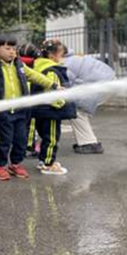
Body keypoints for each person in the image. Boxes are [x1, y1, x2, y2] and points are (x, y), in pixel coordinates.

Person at [0, 33, 58, 181]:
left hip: (21, 110)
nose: (12, 51)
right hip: (3, 111)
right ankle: (0, 166)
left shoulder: (19, 65)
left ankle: (15, 163)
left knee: (21, 139)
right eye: (7, 48)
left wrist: (53, 85)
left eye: (14, 48)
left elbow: (36, 76)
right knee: (5, 140)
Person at [31, 40, 76, 175]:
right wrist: (63, 105)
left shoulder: (38, 68)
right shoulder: (52, 71)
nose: (63, 58)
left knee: (45, 136)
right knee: (51, 138)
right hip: (50, 112)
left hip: (41, 111)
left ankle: (43, 160)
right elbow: (54, 95)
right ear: (52, 56)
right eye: (62, 54)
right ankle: (48, 164)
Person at [63, 47, 116, 154]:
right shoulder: (75, 57)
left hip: (101, 86)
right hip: (110, 81)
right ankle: (87, 141)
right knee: (78, 110)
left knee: (76, 111)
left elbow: (66, 83)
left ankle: (89, 143)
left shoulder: (66, 63)